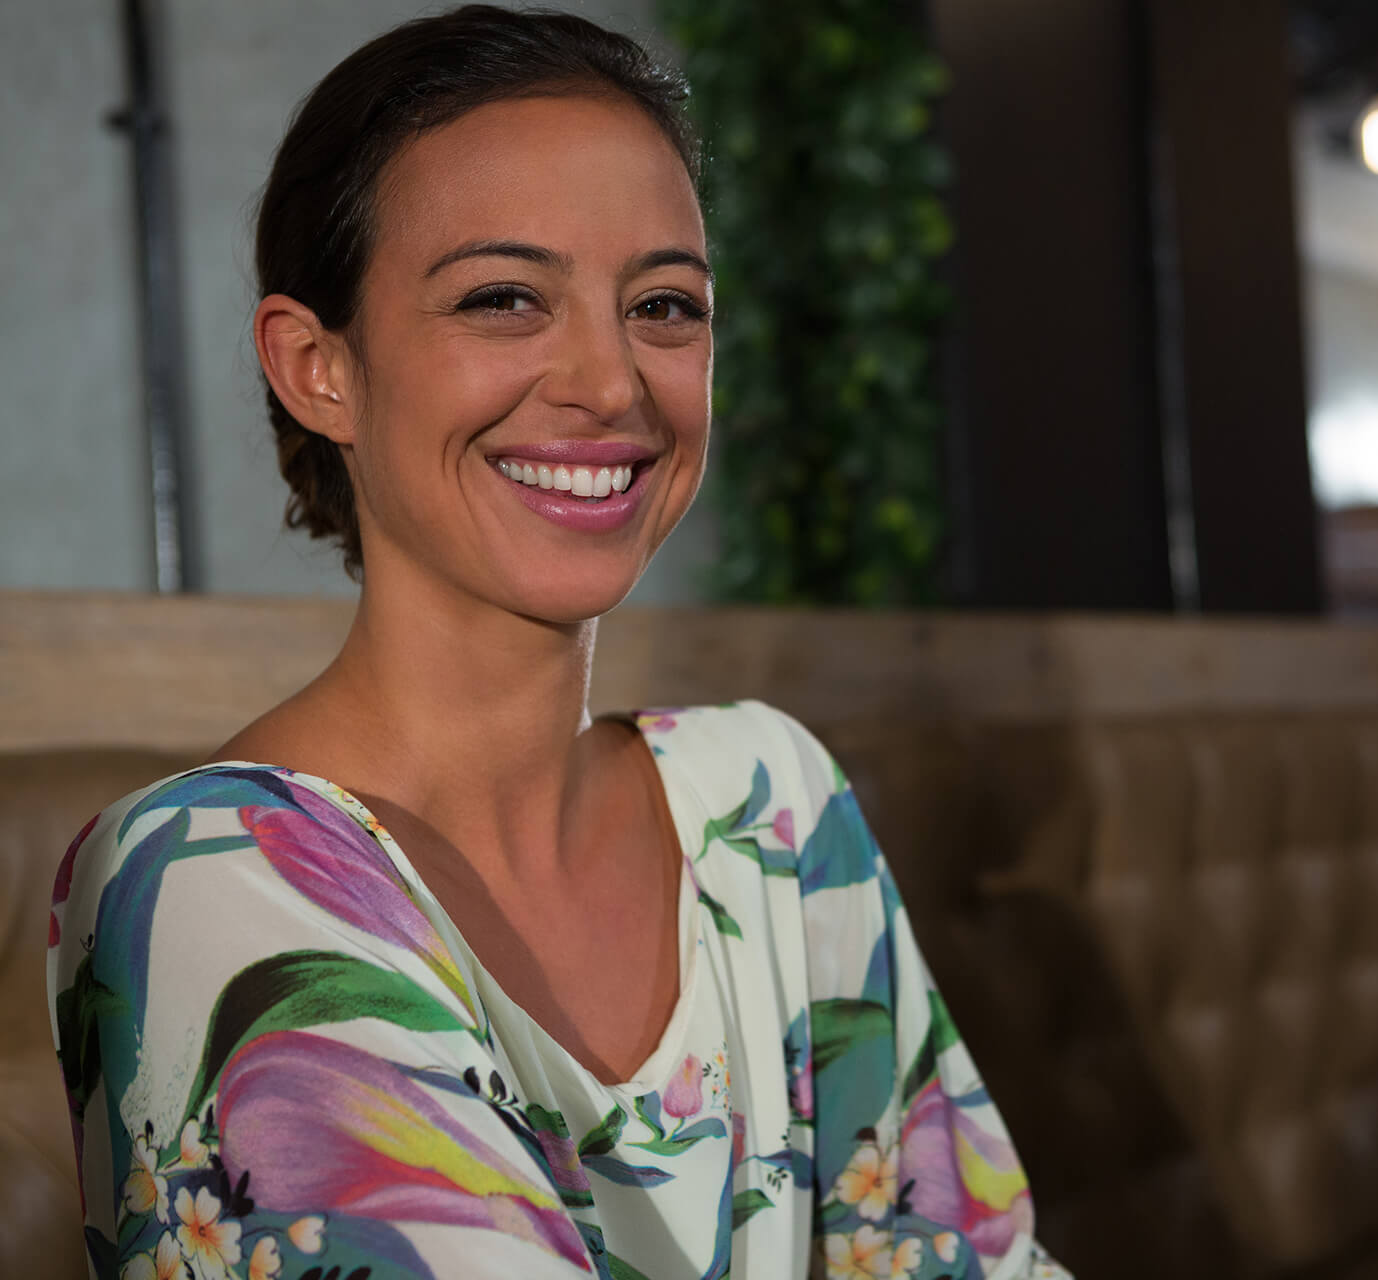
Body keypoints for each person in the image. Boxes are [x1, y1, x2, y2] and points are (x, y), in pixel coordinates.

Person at [46, 9, 1066, 1280]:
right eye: (504, 298)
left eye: (664, 306)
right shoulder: (207, 875)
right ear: (318, 367)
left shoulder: (770, 801)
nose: (611, 381)